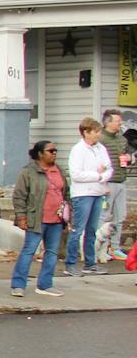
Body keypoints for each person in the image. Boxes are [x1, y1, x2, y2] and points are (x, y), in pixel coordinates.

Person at [10, 140, 70, 298]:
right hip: (37, 219)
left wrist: (68, 216)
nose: (54, 153)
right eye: (50, 151)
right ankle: (18, 284)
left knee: (51, 252)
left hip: (56, 220)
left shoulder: (59, 171)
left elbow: (67, 194)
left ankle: (45, 284)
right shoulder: (29, 172)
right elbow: (19, 196)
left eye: (55, 150)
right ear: (40, 154)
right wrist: (21, 217)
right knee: (29, 251)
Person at [66, 118, 113, 276]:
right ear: (86, 132)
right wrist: (97, 174)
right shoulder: (78, 150)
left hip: (98, 192)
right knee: (77, 230)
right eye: (96, 131)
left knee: (92, 230)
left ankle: (90, 263)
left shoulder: (100, 148)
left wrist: (102, 176)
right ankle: (70, 264)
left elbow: (109, 168)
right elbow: (76, 174)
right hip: (82, 194)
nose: (99, 134)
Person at [99, 109, 130, 261]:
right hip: (107, 183)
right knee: (104, 216)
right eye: (117, 121)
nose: (120, 123)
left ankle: (115, 248)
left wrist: (129, 159)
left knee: (120, 216)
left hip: (121, 180)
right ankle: (99, 247)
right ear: (108, 122)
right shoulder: (101, 139)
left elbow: (125, 157)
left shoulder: (122, 140)